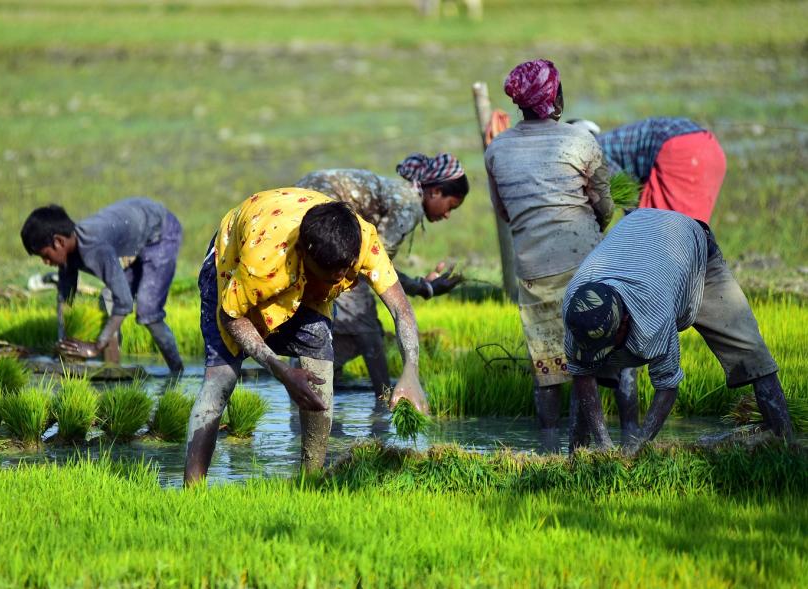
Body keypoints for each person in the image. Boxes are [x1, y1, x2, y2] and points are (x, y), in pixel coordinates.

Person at [184, 188, 428, 484]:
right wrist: (281, 370)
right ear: (303, 255)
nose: (332, 287)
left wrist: (410, 371)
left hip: (295, 256)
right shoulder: (262, 262)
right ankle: (192, 489)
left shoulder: (364, 242)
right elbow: (231, 317)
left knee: (320, 368)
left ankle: (310, 482)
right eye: (325, 279)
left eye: (343, 277)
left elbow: (401, 309)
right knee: (221, 379)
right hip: (236, 254)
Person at [484, 59, 635, 452]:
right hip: (587, 264)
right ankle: (632, 444)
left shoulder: (497, 149)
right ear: (554, 98)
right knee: (615, 361)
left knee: (548, 368)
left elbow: (504, 211)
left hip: (534, 271)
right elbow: (603, 205)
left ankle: (548, 452)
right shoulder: (580, 141)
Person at [563, 208, 794, 452]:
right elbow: (581, 373)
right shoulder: (576, 305)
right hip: (639, 239)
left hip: (692, 251)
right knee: (588, 364)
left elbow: (667, 385)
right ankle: (577, 456)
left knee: (749, 351)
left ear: (625, 321)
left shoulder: (653, 313)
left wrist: (639, 446)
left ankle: (786, 444)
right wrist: (604, 445)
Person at [295, 152, 469, 396]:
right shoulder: (409, 205)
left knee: (357, 327)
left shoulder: (401, 194)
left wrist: (420, 286)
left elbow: (376, 265)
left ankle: (311, 382)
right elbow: (375, 269)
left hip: (302, 207)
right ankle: (385, 402)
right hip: (321, 214)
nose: (448, 214)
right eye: (452, 205)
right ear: (435, 192)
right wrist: (422, 288)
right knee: (366, 329)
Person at [20, 197, 184, 373]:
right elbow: (65, 298)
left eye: (45, 255)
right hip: (137, 225)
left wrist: (95, 347)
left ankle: (176, 371)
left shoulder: (94, 249)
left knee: (148, 312)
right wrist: (63, 344)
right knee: (108, 299)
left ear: (59, 242)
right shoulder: (68, 252)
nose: (45, 262)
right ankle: (113, 368)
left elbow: (125, 302)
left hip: (161, 232)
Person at [570, 117, 726, 223]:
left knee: (655, 236)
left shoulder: (595, 153)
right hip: (710, 147)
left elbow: (626, 196)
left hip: (679, 150)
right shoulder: (614, 141)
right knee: (692, 234)